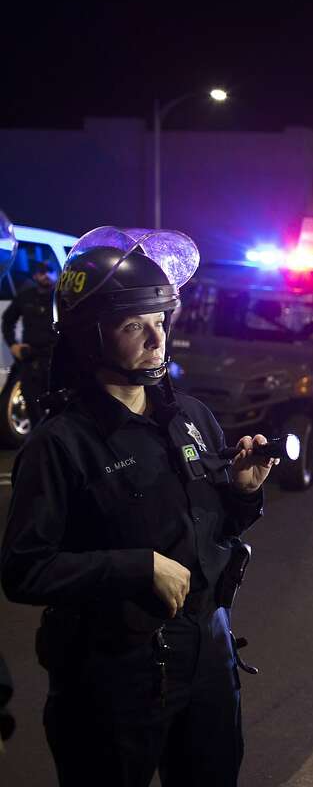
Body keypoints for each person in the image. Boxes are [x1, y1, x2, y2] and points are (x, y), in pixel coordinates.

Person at [0, 227, 278, 786]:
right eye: (134, 327)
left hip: (206, 655)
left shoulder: (191, 416)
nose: (157, 341)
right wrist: (137, 566)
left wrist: (243, 491)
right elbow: (24, 570)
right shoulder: (61, 444)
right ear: (89, 338)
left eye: (161, 323)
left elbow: (212, 529)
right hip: (112, 677)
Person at [2, 260, 57, 425]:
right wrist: (13, 345)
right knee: (33, 407)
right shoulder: (26, 297)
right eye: (41, 272)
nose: (46, 275)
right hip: (30, 359)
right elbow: (7, 321)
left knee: (58, 408)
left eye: (50, 271)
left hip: (55, 359)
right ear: (35, 275)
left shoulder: (62, 299)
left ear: (56, 274)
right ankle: (37, 444)